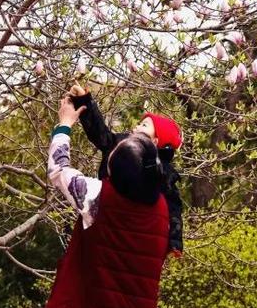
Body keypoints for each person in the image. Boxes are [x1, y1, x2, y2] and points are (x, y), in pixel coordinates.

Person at [44, 96, 170, 308]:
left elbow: (59, 168)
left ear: (117, 170)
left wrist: (64, 124)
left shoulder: (97, 197)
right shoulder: (163, 210)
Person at [69, 83, 184, 256]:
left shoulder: (162, 173)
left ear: (155, 142)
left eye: (144, 126)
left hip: (132, 228)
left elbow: (173, 207)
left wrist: (174, 241)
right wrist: (84, 101)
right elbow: (100, 133)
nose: (136, 127)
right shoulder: (120, 145)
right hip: (106, 213)